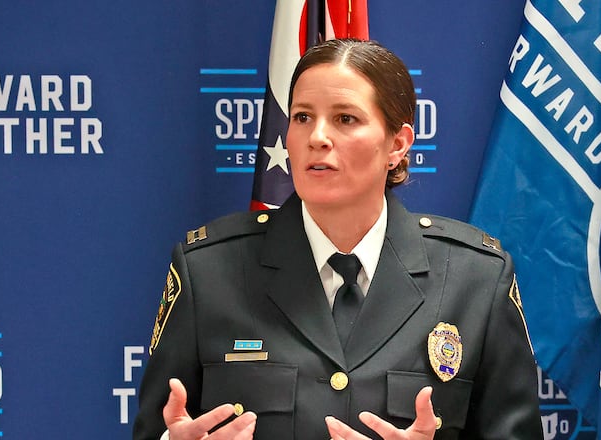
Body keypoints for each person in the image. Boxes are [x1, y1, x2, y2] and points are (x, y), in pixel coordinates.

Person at [133, 38, 543, 440]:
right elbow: (156, 428)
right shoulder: (207, 270)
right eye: (302, 117)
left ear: (397, 145)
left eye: (345, 119)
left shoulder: (475, 278)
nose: (317, 137)